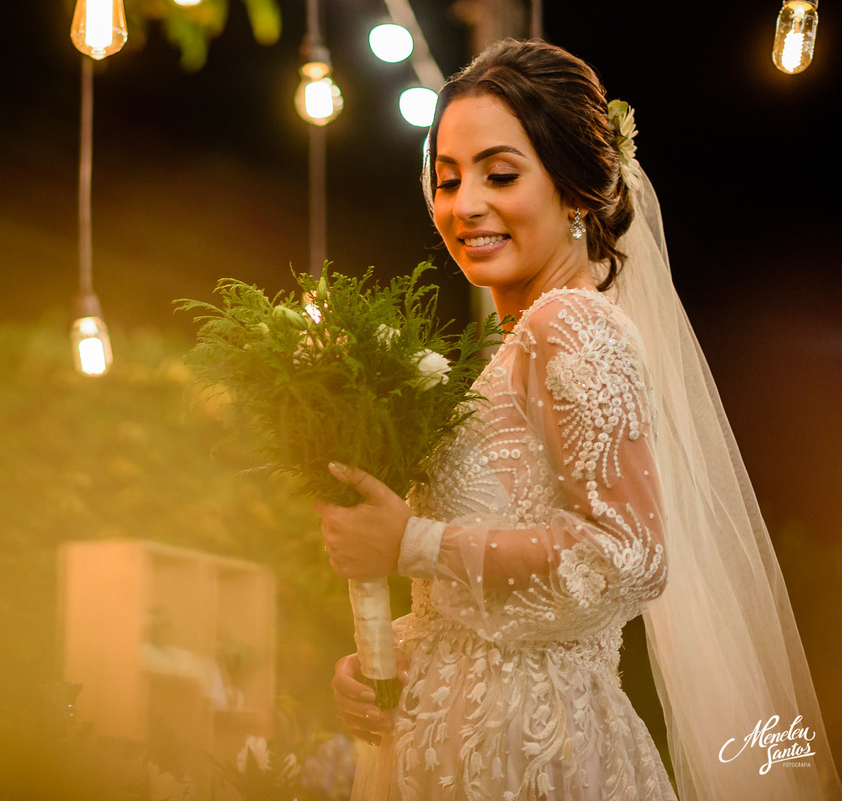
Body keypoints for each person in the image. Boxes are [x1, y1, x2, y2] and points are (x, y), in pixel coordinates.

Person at [316, 40, 841, 801]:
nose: (465, 205)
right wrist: (383, 656)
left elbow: (629, 553)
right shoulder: (515, 344)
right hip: (451, 747)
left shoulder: (570, 325)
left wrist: (412, 541)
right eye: (447, 178)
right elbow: (473, 607)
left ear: (574, 192)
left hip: (532, 756)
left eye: (500, 174)